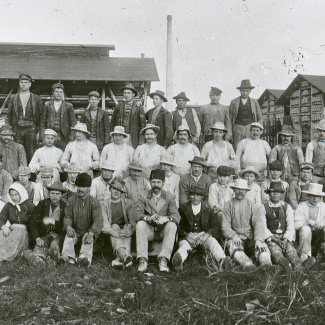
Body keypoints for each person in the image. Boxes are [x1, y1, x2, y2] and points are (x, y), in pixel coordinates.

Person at [172, 185, 227, 272]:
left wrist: (207, 234)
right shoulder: (183, 208)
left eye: (198, 195)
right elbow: (178, 226)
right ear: (189, 196)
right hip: (188, 235)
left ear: (202, 196)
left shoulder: (208, 208)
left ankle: (222, 260)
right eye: (192, 195)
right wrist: (187, 236)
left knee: (213, 242)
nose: (195, 197)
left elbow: (215, 226)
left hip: (203, 235)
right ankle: (178, 260)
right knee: (184, 246)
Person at [135, 169, 180, 272]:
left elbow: (176, 216)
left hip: (163, 230)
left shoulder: (168, 196)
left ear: (163, 183)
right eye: (154, 182)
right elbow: (136, 214)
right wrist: (147, 218)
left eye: (158, 182)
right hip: (150, 229)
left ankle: (163, 259)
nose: (156, 185)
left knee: (172, 225)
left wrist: (166, 219)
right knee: (140, 224)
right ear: (150, 182)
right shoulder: (144, 196)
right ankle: (143, 259)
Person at [262, 182, 313, 272]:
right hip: (272, 238)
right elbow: (262, 225)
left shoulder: (286, 207)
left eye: (277, 192)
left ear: (281, 194)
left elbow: (290, 225)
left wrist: (285, 239)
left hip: (284, 236)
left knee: (290, 250)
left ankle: (299, 266)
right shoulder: (263, 207)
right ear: (269, 193)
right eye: (272, 192)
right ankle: (285, 266)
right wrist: (274, 239)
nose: (274, 194)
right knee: (276, 250)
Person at [221, 179, 271, 269]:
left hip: (250, 237)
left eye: (243, 190)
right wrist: (233, 236)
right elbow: (225, 226)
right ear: (234, 190)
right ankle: (248, 265)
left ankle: (266, 267)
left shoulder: (252, 205)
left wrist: (258, 240)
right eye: (238, 189)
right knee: (235, 248)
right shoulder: (228, 205)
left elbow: (258, 223)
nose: (240, 192)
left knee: (263, 250)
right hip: (237, 238)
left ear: (246, 191)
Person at [59, 173, 103, 266]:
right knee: (69, 236)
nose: (80, 189)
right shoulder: (71, 200)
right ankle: (67, 257)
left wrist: (92, 232)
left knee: (88, 239)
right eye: (78, 186)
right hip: (75, 231)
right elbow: (67, 216)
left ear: (89, 188)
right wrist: (68, 226)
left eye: (83, 187)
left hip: (88, 231)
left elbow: (98, 220)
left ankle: (84, 258)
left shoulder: (94, 202)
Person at [24, 181, 67, 265]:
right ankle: (37, 257)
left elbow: (65, 226)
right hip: (44, 235)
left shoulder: (65, 206)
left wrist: (54, 222)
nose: (54, 196)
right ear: (49, 194)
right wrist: (37, 238)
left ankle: (51, 258)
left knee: (54, 248)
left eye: (57, 194)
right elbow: (33, 222)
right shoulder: (42, 204)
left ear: (61, 195)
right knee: (40, 247)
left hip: (58, 236)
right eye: (52, 193)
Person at [6, 74, 44, 163]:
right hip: (17, 129)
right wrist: (9, 132)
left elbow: (42, 117)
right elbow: (8, 115)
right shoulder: (13, 98)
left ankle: (30, 174)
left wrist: (40, 132)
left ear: (30, 84)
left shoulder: (36, 98)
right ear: (19, 84)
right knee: (18, 152)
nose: (23, 84)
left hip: (31, 129)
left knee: (31, 152)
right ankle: (19, 174)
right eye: (21, 82)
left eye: (26, 82)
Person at [101, 178, 136, 269]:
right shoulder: (104, 204)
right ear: (110, 189)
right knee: (114, 226)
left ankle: (119, 259)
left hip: (125, 230)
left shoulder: (128, 203)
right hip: (112, 231)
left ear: (122, 192)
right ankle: (125, 256)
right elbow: (105, 224)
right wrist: (113, 232)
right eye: (114, 189)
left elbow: (132, 221)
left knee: (128, 226)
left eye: (119, 190)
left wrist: (131, 231)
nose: (116, 192)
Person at [0, 183, 35, 262]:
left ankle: (7, 255)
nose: (14, 197)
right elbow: (1, 218)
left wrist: (22, 226)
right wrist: (4, 227)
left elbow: (34, 222)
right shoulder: (9, 205)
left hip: (25, 232)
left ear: (21, 193)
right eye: (11, 195)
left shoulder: (29, 205)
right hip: (12, 229)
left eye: (16, 195)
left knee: (18, 233)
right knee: (2, 234)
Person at [40, 83, 77, 151]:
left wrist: (71, 139)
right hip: (50, 135)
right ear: (53, 93)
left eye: (61, 92)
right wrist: (43, 137)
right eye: (56, 92)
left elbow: (73, 123)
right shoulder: (47, 104)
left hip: (63, 136)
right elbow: (42, 121)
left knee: (63, 156)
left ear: (63, 93)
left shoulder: (69, 106)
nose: (58, 94)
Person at [294, 183, 325, 263]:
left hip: (319, 235)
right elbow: (295, 225)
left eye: (317, 196)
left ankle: (321, 255)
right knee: (305, 229)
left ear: (321, 197)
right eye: (312, 196)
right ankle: (304, 256)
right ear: (308, 196)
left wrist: (323, 222)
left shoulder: (323, 206)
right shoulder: (302, 206)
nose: (315, 198)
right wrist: (306, 221)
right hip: (304, 236)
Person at [229, 80, 263, 151]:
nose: (244, 93)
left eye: (246, 91)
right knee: (237, 148)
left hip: (250, 128)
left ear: (250, 91)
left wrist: (257, 129)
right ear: (240, 91)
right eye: (242, 91)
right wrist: (230, 132)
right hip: (237, 128)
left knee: (249, 147)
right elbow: (230, 117)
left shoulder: (254, 102)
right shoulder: (234, 102)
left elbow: (260, 117)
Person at [111, 83, 146, 148]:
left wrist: (141, 141)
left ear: (133, 94)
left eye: (129, 93)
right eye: (125, 93)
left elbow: (142, 126)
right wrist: (112, 137)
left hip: (133, 138)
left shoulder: (139, 107)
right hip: (120, 137)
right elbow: (112, 123)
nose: (126, 95)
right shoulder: (118, 106)